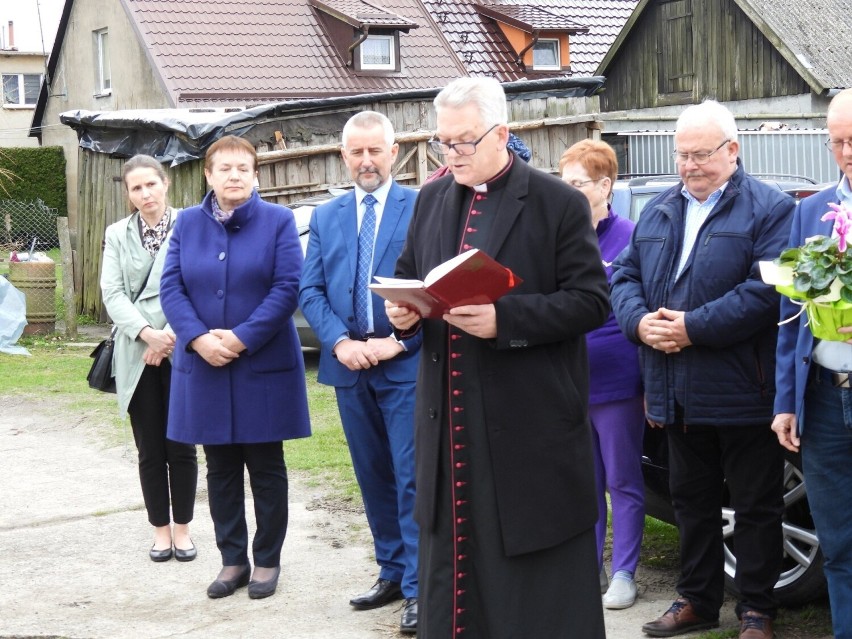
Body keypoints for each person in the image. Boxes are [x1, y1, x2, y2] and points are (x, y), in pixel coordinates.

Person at [385, 76, 610, 639]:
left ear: (502, 134)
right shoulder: (432, 197)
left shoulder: (557, 202)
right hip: (450, 429)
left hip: (527, 427)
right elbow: (415, 275)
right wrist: (405, 315)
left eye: (464, 142)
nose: (452, 154)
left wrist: (504, 320)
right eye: (444, 143)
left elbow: (590, 303)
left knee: (531, 582)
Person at [610, 100, 795, 639]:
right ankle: (697, 601)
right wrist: (641, 323)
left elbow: (766, 292)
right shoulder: (660, 209)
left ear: (732, 151)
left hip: (743, 390)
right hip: (675, 389)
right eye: (682, 155)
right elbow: (623, 278)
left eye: (701, 155)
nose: (690, 165)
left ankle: (756, 610)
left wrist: (693, 327)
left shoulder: (771, 208)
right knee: (691, 503)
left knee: (755, 505)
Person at [160, 135, 310, 600]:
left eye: (243, 168)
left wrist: (242, 337)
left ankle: (266, 561)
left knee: (266, 467)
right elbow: (172, 288)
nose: (234, 176)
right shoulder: (186, 223)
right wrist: (199, 338)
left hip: (262, 364)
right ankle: (232, 561)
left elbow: (287, 287)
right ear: (208, 174)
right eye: (224, 168)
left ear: (256, 174)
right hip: (204, 365)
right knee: (220, 467)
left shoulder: (279, 221)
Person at [299, 111, 420, 633]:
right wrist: (341, 343)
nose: (366, 160)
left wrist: (399, 340)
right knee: (372, 477)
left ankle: (419, 587)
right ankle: (391, 570)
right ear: (343, 155)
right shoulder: (326, 217)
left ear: (394, 152)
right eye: (356, 152)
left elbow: (434, 285)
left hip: (405, 365)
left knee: (411, 477)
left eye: (375, 150)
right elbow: (311, 290)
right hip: (348, 367)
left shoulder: (421, 207)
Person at [772, 88, 852, 639]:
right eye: (837, 141)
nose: (847, 152)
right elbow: (789, 313)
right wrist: (786, 402)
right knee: (839, 540)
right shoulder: (809, 210)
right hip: (821, 397)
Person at [560, 139, 645, 609]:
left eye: (578, 184)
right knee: (584, 482)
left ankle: (625, 572)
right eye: (564, 183)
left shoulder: (630, 235)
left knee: (623, 480)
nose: (569, 192)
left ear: (605, 185)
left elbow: (642, 308)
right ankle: (586, 568)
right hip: (570, 381)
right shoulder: (563, 235)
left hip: (617, 382)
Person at [100, 154, 198, 563]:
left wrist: (171, 336)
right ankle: (160, 530)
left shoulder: (191, 225)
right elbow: (113, 292)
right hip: (137, 351)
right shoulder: (117, 234)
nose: (145, 194)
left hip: (182, 349)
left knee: (183, 447)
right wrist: (147, 334)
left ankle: (184, 529)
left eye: (151, 185)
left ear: (166, 183)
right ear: (128, 194)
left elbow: (200, 283)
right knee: (150, 449)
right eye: (136, 188)